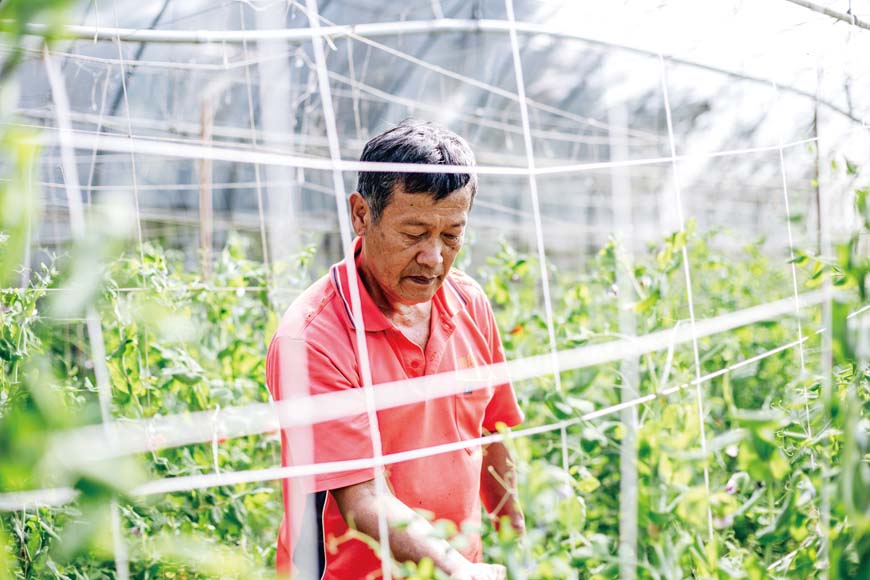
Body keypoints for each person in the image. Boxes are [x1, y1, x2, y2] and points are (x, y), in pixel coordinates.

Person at [266, 119, 524, 580]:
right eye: (414, 233)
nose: (434, 257)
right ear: (362, 215)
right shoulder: (313, 338)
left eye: (451, 235)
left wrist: (516, 541)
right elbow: (362, 499)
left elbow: (493, 433)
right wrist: (455, 569)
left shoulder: (468, 303)